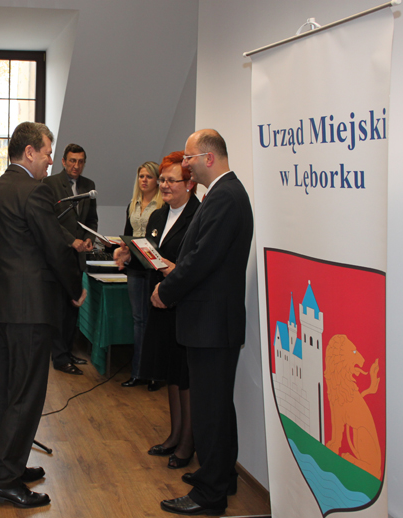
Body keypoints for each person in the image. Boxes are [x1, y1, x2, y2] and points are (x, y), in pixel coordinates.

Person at [0, 122, 86, 508]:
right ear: (29, 152)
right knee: (26, 393)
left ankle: (10, 462)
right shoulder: (35, 191)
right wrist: (74, 288)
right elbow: (56, 248)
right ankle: (4, 480)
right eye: (47, 152)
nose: (50, 161)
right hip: (29, 309)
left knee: (5, 389)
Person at [151, 130, 253, 515]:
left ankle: (210, 494)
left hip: (211, 324)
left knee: (210, 410)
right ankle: (221, 475)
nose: (185, 164)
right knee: (217, 406)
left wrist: (167, 291)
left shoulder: (225, 197)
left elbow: (200, 260)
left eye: (189, 158)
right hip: (211, 322)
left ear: (209, 158)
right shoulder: (223, 194)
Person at [117, 152, 200, 469]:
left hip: (185, 306)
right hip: (161, 303)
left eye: (170, 180)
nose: (164, 185)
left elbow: (193, 266)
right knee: (171, 374)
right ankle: (174, 436)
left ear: (189, 184)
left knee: (185, 376)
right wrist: (129, 254)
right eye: (162, 179)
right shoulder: (157, 217)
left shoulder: (198, 216)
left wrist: (168, 271)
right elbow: (150, 258)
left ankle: (187, 444)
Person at [42, 143, 96, 375]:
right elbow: (49, 221)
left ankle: (68, 351)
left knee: (73, 307)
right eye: (72, 161)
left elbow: (91, 219)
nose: (76, 165)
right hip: (58, 256)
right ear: (63, 161)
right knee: (58, 309)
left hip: (78, 257)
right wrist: (71, 240)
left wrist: (88, 239)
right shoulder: (50, 184)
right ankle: (59, 358)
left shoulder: (89, 186)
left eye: (80, 161)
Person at [118, 161, 163, 390]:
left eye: (149, 177)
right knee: (138, 321)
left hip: (154, 269)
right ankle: (138, 372)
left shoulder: (163, 205)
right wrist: (121, 251)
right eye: (141, 176)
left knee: (154, 322)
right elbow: (127, 235)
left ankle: (155, 373)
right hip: (135, 268)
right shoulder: (132, 204)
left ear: (157, 180)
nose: (144, 180)